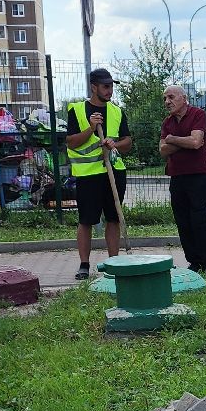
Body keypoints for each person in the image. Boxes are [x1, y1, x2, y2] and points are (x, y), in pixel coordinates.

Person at [63, 68, 131, 280]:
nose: (110, 90)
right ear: (94, 87)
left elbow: (127, 143)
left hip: (114, 172)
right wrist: (91, 129)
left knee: (113, 218)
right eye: (105, 86)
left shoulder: (117, 112)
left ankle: (114, 262)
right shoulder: (77, 110)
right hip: (88, 175)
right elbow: (71, 142)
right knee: (86, 220)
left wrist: (114, 144)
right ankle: (84, 264)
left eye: (111, 86)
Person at [159, 84, 206, 276]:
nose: (167, 102)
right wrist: (182, 141)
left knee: (200, 218)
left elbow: (196, 142)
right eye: (165, 98)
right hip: (176, 177)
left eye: (171, 97)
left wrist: (172, 139)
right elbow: (162, 150)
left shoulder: (198, 114)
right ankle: (193, 262)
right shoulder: (167, 122)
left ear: (183, 98)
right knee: (182, 220)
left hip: (197, 176)